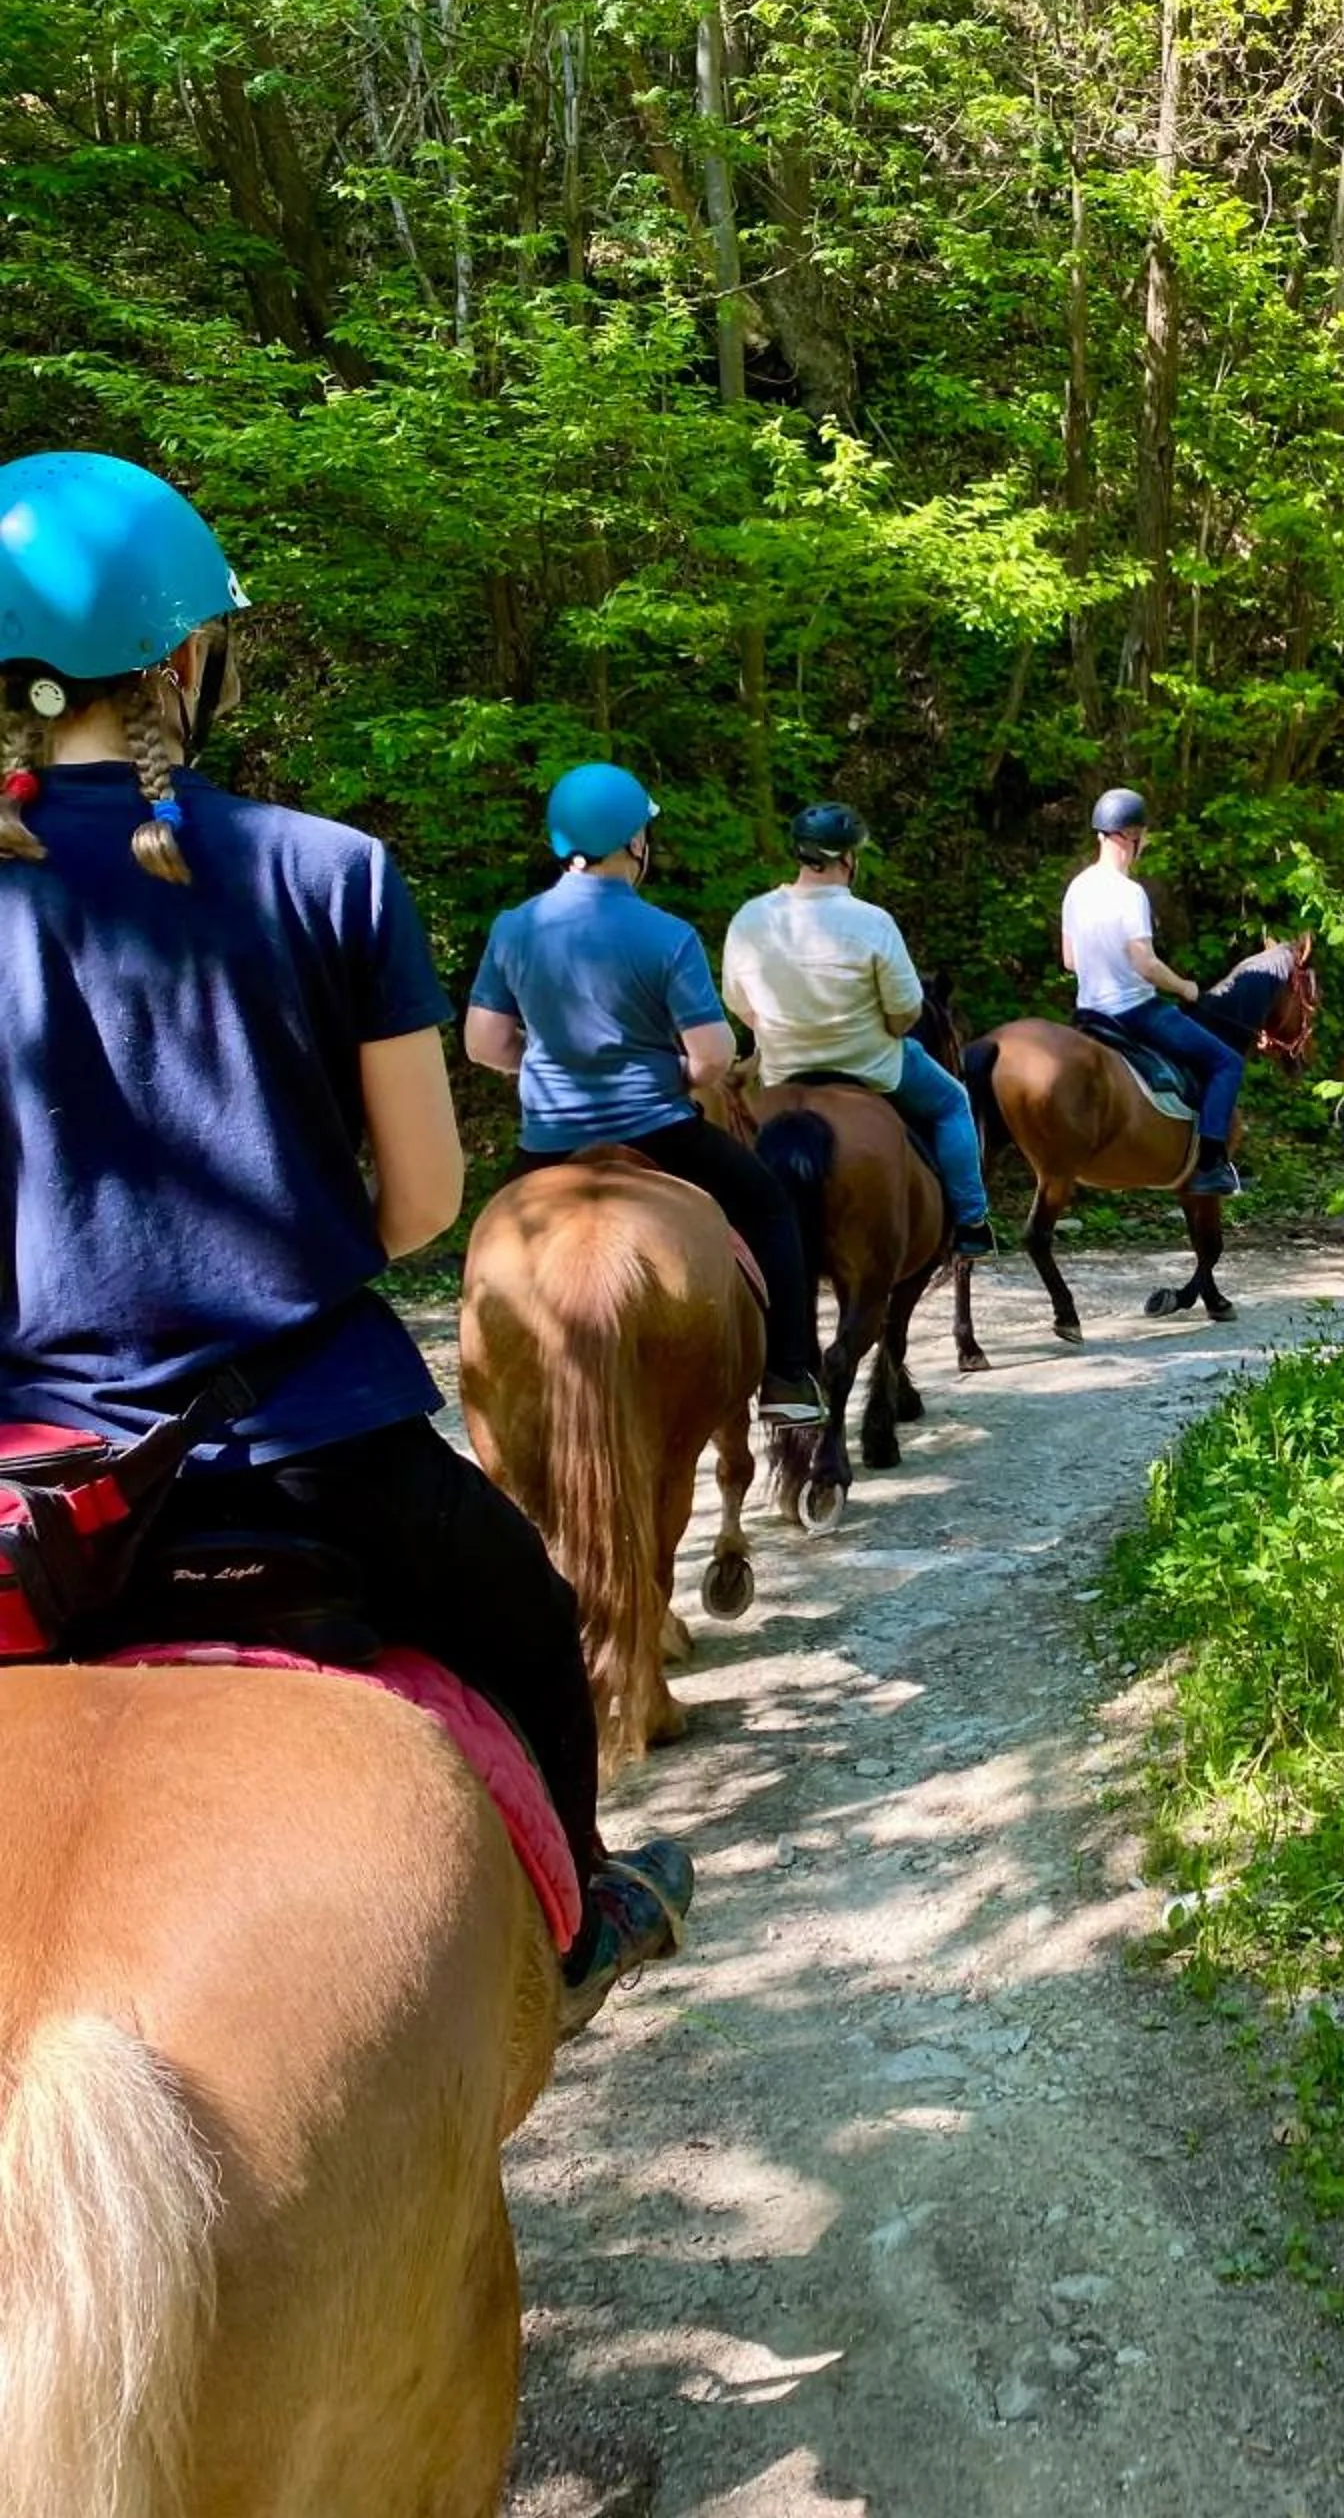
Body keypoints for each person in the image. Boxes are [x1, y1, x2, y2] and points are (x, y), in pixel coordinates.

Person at [0, 448, 684, 2032]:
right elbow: (426, 1204)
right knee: (523, 1604)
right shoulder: (331, 872)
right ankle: (577, 1910)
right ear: (185, 657)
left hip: (25, 1478)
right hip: (298, 1446)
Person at [464, 767, 827, 1417]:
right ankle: (788, 1378)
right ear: (633, 842)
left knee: (489, 1248)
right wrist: (680, 1076)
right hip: (657, 1129)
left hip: (548, 1140)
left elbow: (484, 1045)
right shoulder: (667, 935)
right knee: (770, 1207)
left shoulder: (514, 928)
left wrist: (547, 1063)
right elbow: (713, 1056)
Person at [720, 801, 996, 1258]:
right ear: (848, 859)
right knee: (953, 1102)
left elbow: (738, 1003)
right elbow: (906, 1012)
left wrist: (779, 1031)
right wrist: (884, 1028)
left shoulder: (751, 917)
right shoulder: (872, 921)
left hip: (783, 1068)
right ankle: (971, 1221)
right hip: (873, 1067)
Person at [1059, 789, 1243, 1197]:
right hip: (1134, 1011)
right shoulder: (1129, 893)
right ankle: (1212, 1164)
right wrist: (1185, 987)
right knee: (1226, 1062)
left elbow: (1070, 959)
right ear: (1130, 836)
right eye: (1141, 835)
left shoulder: (1077, 888)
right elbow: (1144, 961)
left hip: (1088, 1013)